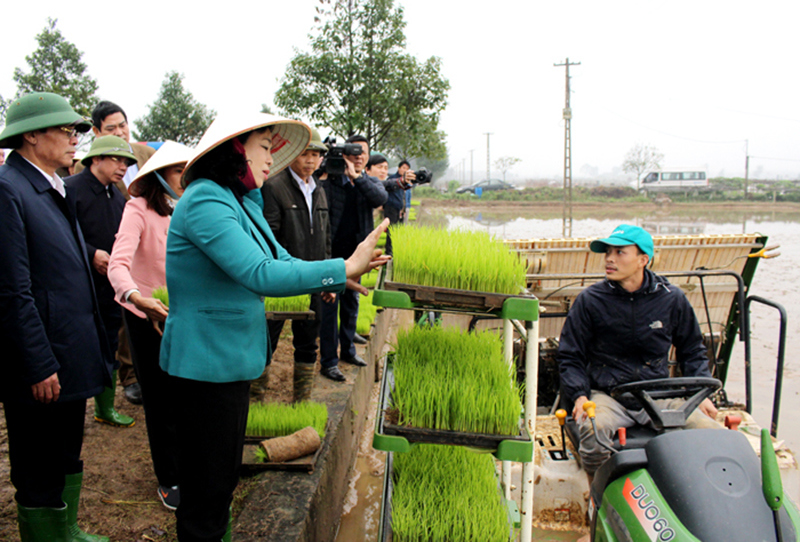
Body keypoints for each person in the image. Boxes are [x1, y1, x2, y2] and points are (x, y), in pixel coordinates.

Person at [159, 113, 389, 541]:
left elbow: (282, 259)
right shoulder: (206, 201)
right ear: (234, 150)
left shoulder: (241, 201)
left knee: (221, 482)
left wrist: (337, 273)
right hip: (204, 365)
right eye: (264, 146)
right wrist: (342, 264)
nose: (271, 158)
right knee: (205, 491)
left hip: (230, 362)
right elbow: (260, 273)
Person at [0, 92, 113, 541]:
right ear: (31, 135)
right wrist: (38, 361)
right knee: (38, 461)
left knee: (66, 449)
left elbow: (58, 256)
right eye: (66, 130)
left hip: (66, 347)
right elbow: (12, 289)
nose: (75, 140)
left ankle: (67, 530)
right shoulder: (9, 190)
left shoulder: (48, 185)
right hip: (42, 358)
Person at [557, 224, 721, 483]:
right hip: (609, 395)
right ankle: (596, 491)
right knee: (594, 429)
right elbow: (570, 356)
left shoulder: (672, 299)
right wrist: (578, 395)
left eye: (620, 252)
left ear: (643, 259)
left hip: (657, 395)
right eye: (608, 252)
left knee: (711, 432)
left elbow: (692, 351)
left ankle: (695, 492)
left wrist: (699, 395)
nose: (609, 259)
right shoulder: (590, 300)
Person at [108, 141, 191, 511]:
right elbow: (117, 263)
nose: (185, 179)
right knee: (161, 397)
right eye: (178, 173)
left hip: (184, 313)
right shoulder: (137, 209)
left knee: (188, 392)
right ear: (159, 176)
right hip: (146, 316)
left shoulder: (189, 209)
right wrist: (135, 297)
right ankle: (169, 478)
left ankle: (191, 465)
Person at [76, 100, 157, 404]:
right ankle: (121, 380)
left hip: (142, 249)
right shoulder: (82, 175)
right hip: (104, 259)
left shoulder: (147, 156)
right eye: (111, 128)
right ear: (97, 133)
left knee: (137, 312)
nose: (121, 132)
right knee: (114, 322)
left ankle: (138, 374)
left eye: (123, 125)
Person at [65, 136, 138, 429]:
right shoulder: (70, 190)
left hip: (110, 286)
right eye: (117, 160)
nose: (123, 167)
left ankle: (104, 408)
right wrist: (91, 253)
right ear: (95, 159)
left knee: (109, 342)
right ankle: (70, 406)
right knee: (81, 346)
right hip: (79, 286)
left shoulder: (117, 196)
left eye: (127, 162)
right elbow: (60, 234)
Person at [260, 128, 332, 402]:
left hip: (313, 278)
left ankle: (301, 401)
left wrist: (328, 278)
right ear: (291, 155)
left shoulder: (318, 190)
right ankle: (256, 401)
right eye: (305, 154)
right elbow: (269, 236)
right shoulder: (274, 187)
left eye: (316, 155)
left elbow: (325, 239)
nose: (311, 161)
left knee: (307, 343)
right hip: (282, 278)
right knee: (267, 339)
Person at [319, 135, 388, 381]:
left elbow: (380, 199)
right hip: (332, 254)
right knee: (329, 306)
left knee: (351, 304)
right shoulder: (328, 181)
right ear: (344, 153)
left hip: (357, 255)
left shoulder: (368, 182)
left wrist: (357, 177)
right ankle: (329, 361)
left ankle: (348, 351)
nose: (359, 156)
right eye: (354, 151)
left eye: (364, 152)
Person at [373, 155, 415, 255]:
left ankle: (394, 249)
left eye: (407, 169)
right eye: (403, 168)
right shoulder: (392, 180)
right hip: (390, 207)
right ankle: (389, 251)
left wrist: (403, 209)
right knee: (391, 230)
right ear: (399, 168)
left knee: (396, 230)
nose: (405, 170)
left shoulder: (404, 182)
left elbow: (403, 197)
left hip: (398, 209)